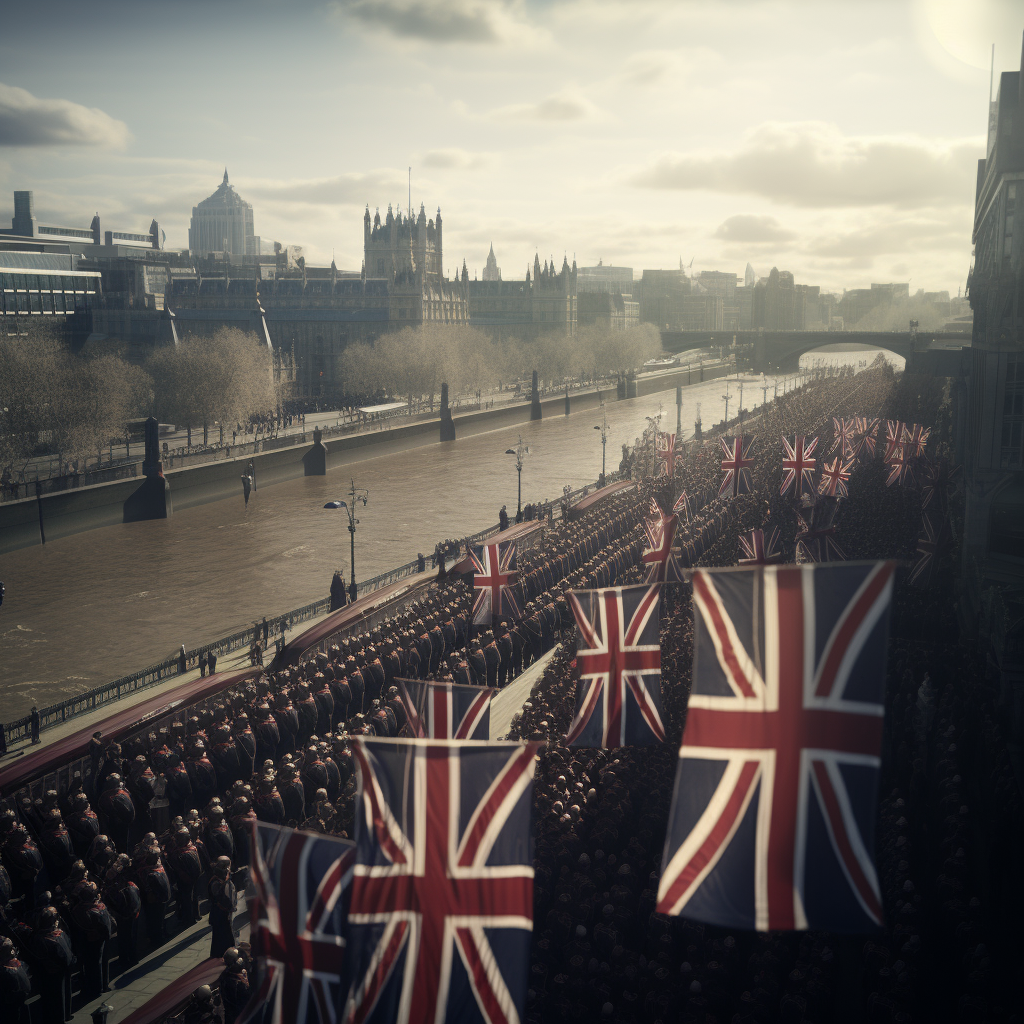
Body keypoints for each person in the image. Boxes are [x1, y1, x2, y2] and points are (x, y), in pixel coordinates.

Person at [207, 857, 237, 959]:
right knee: (221, 936)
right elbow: (221, 897)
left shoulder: (222, 877)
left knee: (226, 934)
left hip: (224, 913)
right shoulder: (215, 881)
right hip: (219, 913)